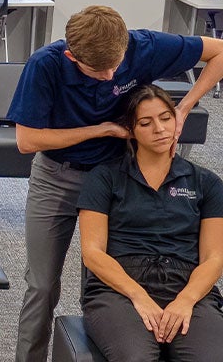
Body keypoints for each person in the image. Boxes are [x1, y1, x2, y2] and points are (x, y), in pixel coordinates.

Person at [9, 5, 223, 361]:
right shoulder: (45, 64)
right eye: (98, 71)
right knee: (42, 285)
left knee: (100, 283)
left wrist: (183, 108)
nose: (110, 76)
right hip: (59, 176)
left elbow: (218, 51)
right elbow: (27, 141)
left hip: (116, 176)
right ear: (70, 55)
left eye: (115, 66)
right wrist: (103, 129)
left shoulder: (144, 46)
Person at [76, 84, 223, 361]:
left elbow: (214, 258)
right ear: (131, 130)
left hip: (186, 283)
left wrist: (186, 300)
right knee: (137, 358)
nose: (159, 129)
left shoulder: (207, 182)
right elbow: (92, 253)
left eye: (166, 118)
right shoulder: (104, 178)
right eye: (146, 122)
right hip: (119, 288)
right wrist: (139, 296)